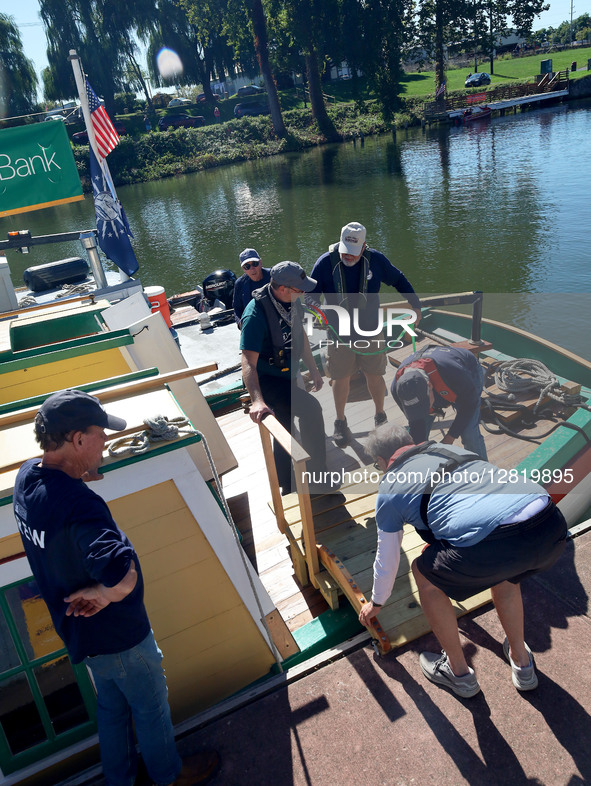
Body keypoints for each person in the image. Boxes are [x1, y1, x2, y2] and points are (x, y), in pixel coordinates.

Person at [13, 389, 220, 786]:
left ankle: (120, 780)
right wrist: (106, 593)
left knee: (111, 708)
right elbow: (120, 574)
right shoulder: (81, 507)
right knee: (150, 708)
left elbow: (58, 521)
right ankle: (169, 776)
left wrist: (80, 473)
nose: (106, 441)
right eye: (100, 434)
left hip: (81, 635)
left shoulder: (27, 478)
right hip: (121, 637)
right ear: (77, 439)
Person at [360, 424, 567, 698]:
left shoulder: (390, 488)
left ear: (381, 461)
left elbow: (387, 556)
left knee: (423, 574)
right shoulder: (450, 449)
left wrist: (377, 602)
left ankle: (459, 674)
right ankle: (522, 663)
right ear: (412, 442)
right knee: (505, 573)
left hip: (495, 545)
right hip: (549, 523)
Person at [309, 221, 421, 447]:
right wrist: (317, 310)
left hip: (370, 329)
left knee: (375, 374)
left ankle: (380, 415)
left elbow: (398, 279)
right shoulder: (324, 263)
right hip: (338, 332)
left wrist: (415, 305)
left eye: (353, 253)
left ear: (364, 247)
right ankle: (340, 421)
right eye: (344, 252)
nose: (348, 257)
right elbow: (310, 294)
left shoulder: (376, 260)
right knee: (340, 378)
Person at [240, 261, 331, 494]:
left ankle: (295, 479)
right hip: (268, 379)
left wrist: (313, 368)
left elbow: (300, 336)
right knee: (309, 410)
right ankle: (305, 477)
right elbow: (248, 362)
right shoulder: (255, 314)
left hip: (288, 373)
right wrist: (257, 400)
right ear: (283, 289)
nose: (303, 293)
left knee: (286, 421)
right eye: (299, 289)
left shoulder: (293, 303)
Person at [392, 344, 487, 459]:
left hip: (465, 372)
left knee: (469, 433)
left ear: (430, 385)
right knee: (416, 438)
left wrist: (449, 438)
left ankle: (483, 470)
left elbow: (469, 405)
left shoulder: (454, 372)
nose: (424, 411)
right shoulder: (397, 389)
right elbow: (416, 424)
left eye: (424, 405)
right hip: (438, 379)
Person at [232, 248, 271, 327]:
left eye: (255, 263)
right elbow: (237, 309)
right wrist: (240, 324)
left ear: (260, 262)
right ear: (243, 269)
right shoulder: (239, 283)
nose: (252, 268)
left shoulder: (273, 276)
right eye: (247, 266)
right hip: (253, 324)